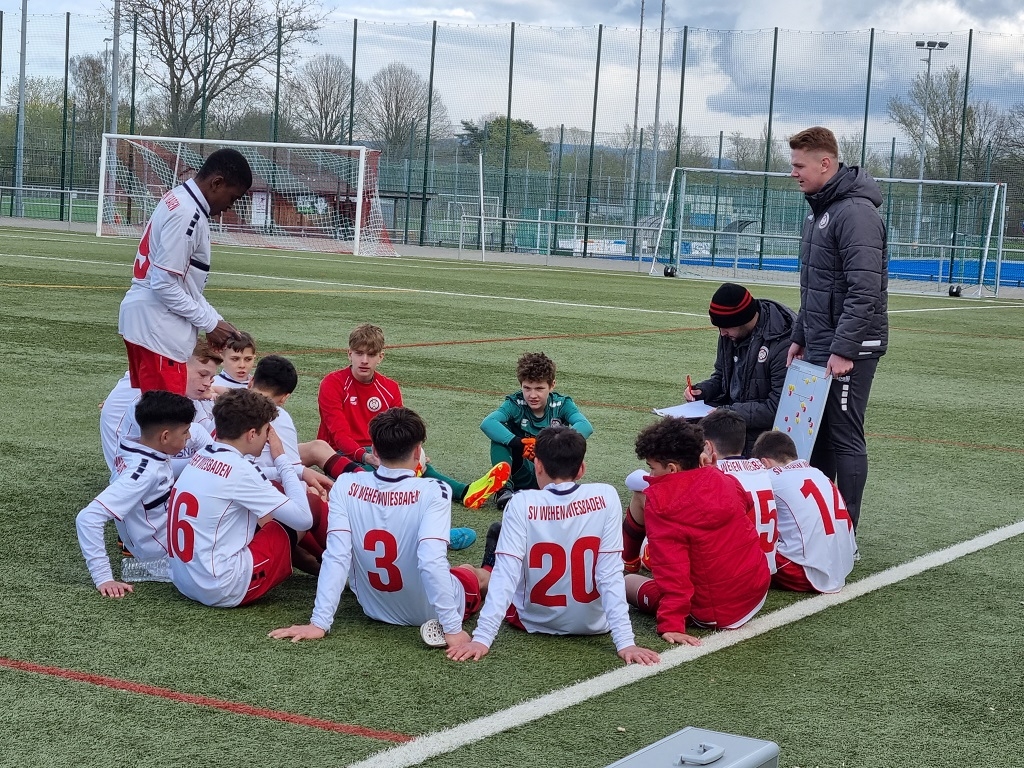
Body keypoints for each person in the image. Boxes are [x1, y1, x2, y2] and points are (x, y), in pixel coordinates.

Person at [269, 407, 488, 649]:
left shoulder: (346, 484)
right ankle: (490, 566)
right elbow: (430, 561)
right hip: (428, 611)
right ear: (418, 452)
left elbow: (337, 556)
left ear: (374, 450)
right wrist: (453, 629)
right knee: (473, 573)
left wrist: (319, 623)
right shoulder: (434, 490)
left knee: (453, 569)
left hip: (373, 608)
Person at [446, 427, 660, 666]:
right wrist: (625, 642)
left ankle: (487, 567)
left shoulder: (521, 502)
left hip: (531, 620)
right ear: (581, 469)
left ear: (537, 465)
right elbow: (609, 574)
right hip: (596, 624)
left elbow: (507, 576)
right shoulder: (606, 496)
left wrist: (482, 638)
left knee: (492, 573)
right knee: (619, 573)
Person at [787, 126, 888, 530]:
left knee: (844, 435)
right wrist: (800, 335)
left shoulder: (856, 213)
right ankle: (820, 525)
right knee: (818, 435)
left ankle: (845, 533)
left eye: (799, 165)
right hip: (821, 342)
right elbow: (815, 287)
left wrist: (845, 348)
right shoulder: (819, 212)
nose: (793, 172)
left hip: (850, 348)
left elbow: (865, 290)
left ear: (825, 163)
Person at [317, 323, 509, 513]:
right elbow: (339, 436)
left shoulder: (389, 387)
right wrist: (367, 457)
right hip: (340, 454)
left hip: (381, 452)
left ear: (381, 357)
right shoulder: (332, 384)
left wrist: (413, 450)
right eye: (359, 353)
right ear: (349, 354)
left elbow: (400, 429)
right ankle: (412, 493)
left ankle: (465, 492)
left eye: (371, 354)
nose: (364, 360)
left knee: (420, 467)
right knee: (372, 481)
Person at [624, 417, 770, 646]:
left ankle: (627, 562)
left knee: (624, 583)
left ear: (672, 468)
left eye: (652, 468)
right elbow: (745, 506)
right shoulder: (724, 479)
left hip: (715, 611)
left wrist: (671, 623)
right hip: (756, 589)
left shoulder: (663, 504)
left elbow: (673, 571)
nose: (650, 475)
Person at [118, 148, 253, 395]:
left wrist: (215, 320)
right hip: (158, 329)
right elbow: (163, 284)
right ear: (217, 183)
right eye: (232, 198)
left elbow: (183, 285)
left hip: (148, 324)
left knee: (153, 413)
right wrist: (210, 323)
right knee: (167, 417)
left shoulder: (179, 199)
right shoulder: (187, 214)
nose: (229, 207)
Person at [168, 389, 313, 608]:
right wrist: (282, 460)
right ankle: (342, 568)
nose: (268, 439)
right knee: (310, 506)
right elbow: (303, 519)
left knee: (274, 510)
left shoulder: (202, 455)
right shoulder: (241, 469)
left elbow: (243, 477)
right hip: (224, 587)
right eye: (267, 431)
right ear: (252, 434)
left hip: (185, 580)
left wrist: (299, 472)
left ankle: (325, 566)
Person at [622, 410, 779, 576]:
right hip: (760, 564)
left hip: (721, 569)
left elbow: (634, 480)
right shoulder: (760, 469)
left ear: (708, 446)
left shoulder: (705, 476)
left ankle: (628, 561)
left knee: (646, 499)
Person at [76, 391, 196, 598]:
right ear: (165, 437)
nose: (190, 436)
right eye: (185, 432)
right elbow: (87, 518)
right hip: (166, 558)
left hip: (169, 537)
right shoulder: (143, 474)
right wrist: (103, 578)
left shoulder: (135, 443)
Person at [685, 283, 795, 454]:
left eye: (725, 327)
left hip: (763, 438)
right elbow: (721, 376)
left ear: (743, 319)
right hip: (734, 425)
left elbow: (778, 408)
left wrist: (728, 413)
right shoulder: (730, 334)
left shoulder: (782, 344)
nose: (722, 333)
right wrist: (702, 391)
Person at [480, 352, 593, 508]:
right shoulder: (515, 402)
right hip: (522, 471)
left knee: (572, 440)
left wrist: (547, 445)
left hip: (550, 471)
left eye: (539, 388)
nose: (532, 395)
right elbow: (488, 423)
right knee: (499, 435)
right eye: (527, 388)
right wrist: (521, 443)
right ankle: (504, 490)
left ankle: (561, 489)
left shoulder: (562, 404)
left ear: (552, 385)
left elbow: (585, 426)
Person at [752, 431, 857, 593]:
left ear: (764, 462)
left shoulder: (771, 478)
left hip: (804, 572)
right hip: (842, 563)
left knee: (743, 541)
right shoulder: (819, 473)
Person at [101, 340, 223, 479]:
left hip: (158, 465)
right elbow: (200, 435)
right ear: (180, 366)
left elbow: (210, 432)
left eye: (211, 378)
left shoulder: (183, 389)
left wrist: (218, 401)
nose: (207, 383)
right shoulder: (146, 391)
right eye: (202, 374)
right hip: (134, 472)